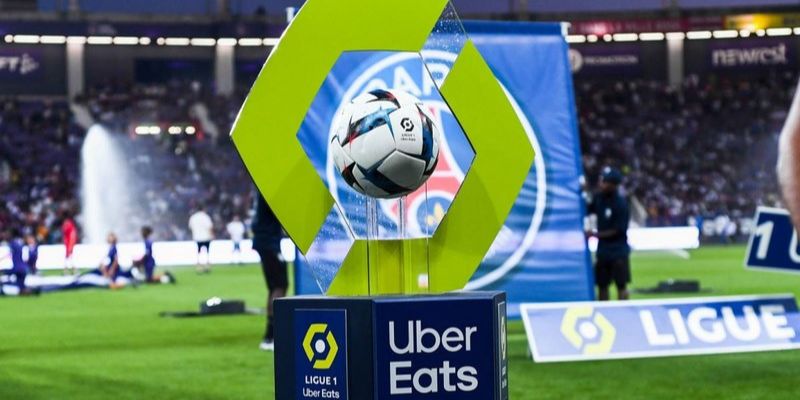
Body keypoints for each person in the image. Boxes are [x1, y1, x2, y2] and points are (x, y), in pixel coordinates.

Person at [586, 167, 631, 301]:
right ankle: (603, 310)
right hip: (603, 251)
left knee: (621, 285)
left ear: (614, 185)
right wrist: (584, 192)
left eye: (605, 182)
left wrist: (595, 235)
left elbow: (618, 230)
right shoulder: (599, 198)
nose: (602, 184)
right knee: (602, 285)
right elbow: (588, 209)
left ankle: (624, 310)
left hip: (618, 251)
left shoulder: (621, 204)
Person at [252, 194, 287, 351]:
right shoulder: (269, 191)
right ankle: (271, 336)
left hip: (265, 241)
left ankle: (270, 335)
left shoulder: (263, 191)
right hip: (268, 242)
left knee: (275, 287)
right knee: (280, 286)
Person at [188, 206, 214, 274]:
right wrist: (212, 235)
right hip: (206, 237)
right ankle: (207, 266)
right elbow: (209, 227)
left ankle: (199, 267)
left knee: (199, 252)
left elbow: (190, 227)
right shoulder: (206, 217)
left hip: (197, 237)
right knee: (207, 251)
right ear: (203, 209)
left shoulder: (193, 217)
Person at [61, 211, 78, 275]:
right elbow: (72, 234)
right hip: (69, 242)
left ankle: (68, 270)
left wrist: (70, 244)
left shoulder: (67, 223)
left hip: (69, 242)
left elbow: (69, 234)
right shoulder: (69, 223)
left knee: (68, 256)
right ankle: (71, 270)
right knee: (69, 256)